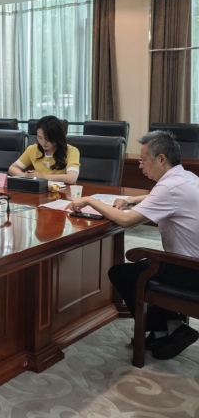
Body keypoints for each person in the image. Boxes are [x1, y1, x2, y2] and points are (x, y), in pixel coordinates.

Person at [67, 130, 199, 360]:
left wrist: (90, 201)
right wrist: (132, 200)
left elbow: (126, 221)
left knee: (123, 273)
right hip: (192, 262)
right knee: (142, 269)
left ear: (161, 159)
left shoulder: (169, 188)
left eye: (143, 160)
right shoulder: (186, 178)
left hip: (189, 270)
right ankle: (165, 331)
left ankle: (170, 328)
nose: (140, 166)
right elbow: (159, 197)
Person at [8, 115, 79, 184]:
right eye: (40, 138)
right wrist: (24, 176)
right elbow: (12, 168)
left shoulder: (71, 151)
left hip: (63, 191)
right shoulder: (32, 149)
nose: (43, 142)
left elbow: (71, 178)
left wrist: (42, 177)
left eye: (47, 139)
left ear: (57, 137)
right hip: (40, 190)